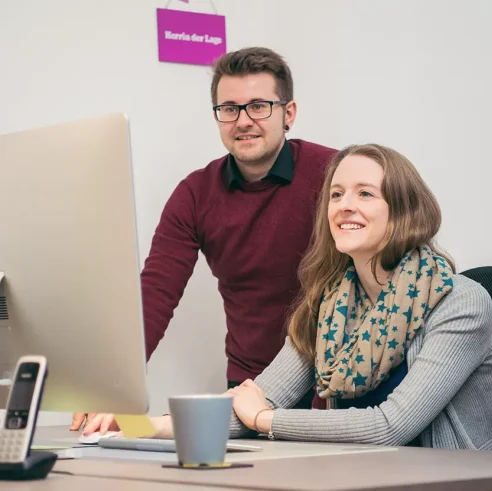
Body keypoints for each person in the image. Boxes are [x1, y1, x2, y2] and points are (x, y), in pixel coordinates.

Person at [141, 143, 492, 449]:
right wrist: (136, 426)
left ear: (404, 210)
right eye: (336, 194)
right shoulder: (329, 306)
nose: (344, 205)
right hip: (357, 477)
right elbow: (249, 408)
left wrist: (266, 419)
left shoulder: (459, 303)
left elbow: (390, 427)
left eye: (365, 193)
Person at [75, 47, 336, 435]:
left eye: (259, 106)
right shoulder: (195, 194)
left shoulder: (334, 173)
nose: (243, 121)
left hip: (329, 386)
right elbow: (156, 292)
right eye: (229, 108)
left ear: (289, 113)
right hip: (247, 389)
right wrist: (113, 386)